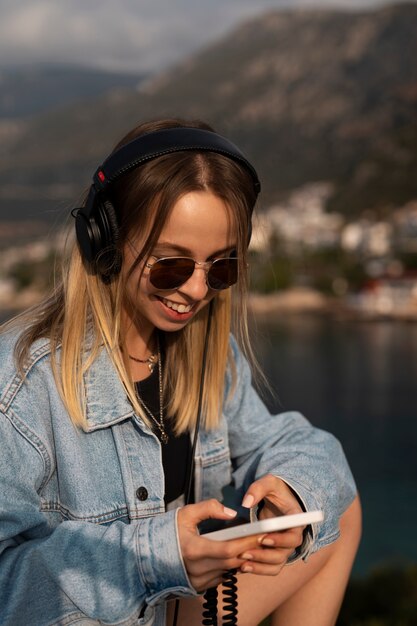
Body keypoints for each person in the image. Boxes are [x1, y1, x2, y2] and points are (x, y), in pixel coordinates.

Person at [0, 118, 361, 626]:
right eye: (171, 264)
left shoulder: (203, 352)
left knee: (338, 510)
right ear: (104, 240)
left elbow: (292, 442)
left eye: (220, 267)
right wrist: (154, 558)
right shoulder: (20, 387)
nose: (196, 290)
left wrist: (291, 500)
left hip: (170, 610)